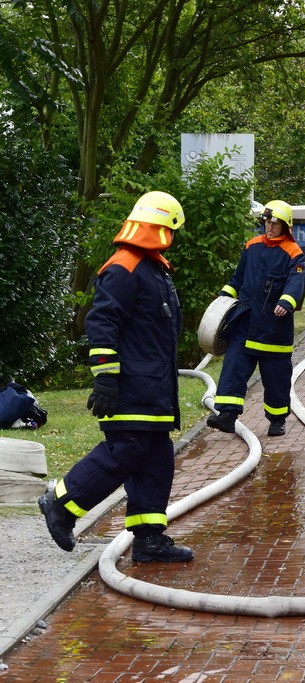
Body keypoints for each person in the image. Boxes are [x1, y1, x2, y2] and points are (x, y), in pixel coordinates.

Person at [37, 191, 194, 562]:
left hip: (154, 387)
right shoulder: (124, 267)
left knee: (156, 457)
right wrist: (106, 378)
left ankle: (148, 539)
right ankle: (61, 503)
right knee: (128, 449)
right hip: (130, 386)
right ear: (163, 228)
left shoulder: (152, 269)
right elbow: (102, 322)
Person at [206, 200, 305, 438]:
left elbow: (296, 282)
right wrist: (223, 298)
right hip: (245, 321)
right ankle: (227, 416)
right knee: (233, 368)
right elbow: (237, 277)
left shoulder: (294, 253)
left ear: (286, 226)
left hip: (274, 326)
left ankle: (277, 420)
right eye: (267, 222)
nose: (269, 227)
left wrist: (286, 302)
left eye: (275, 223)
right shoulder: (251, 246)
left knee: (276, 378)